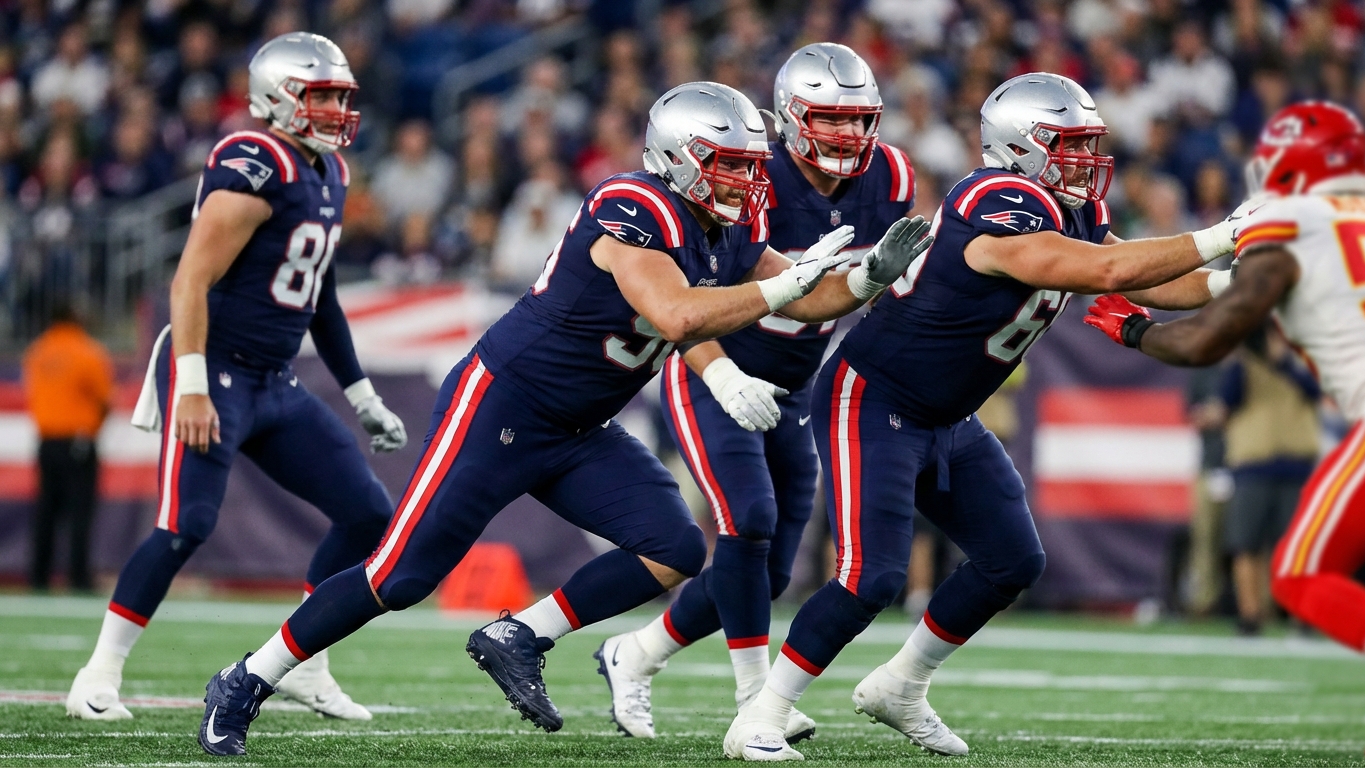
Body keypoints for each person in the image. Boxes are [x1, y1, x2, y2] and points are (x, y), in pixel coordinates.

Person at [195, 80, 933, 757]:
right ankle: (248, 677)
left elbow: (803, 297)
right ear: (678, 158)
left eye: (748, 164)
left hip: (582, 427)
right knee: (401, 574)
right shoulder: (633, 206)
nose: (745, 180)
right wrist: (783, 290)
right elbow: (678, 313)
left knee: (674, 545)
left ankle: (520, 635)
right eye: (728, 164)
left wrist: (866, 277)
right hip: (502, 406)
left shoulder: (729, 223)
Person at [723, 72, 1245, 761]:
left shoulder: (1071, 206)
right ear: (1020, 147)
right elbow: (1106, 272)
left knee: (1012, 559)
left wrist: (1236, 276)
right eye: (1069, 144)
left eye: (1089, 143)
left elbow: (1140, 270)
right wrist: (1220, 233)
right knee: (870, 576)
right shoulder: (994, 198)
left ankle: (901, 686)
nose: (1085, 160)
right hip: (877, 395)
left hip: (947, 413)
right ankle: (762, 714)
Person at [65, 32, 407, 723]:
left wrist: (362, 395)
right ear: (278, 98)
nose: (338, 108)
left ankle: (307, 661)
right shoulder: (255, 160)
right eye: (322, 95)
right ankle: (97, 674)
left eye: (342, 95)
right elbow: (190, 278)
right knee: (185, 524)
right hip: (213, 368)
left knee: (369, 513)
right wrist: (188, 382)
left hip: (274, 381)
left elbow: (321, 296)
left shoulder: (329, 172)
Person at [595, 43, 913, 743]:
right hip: (715, 366)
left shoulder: (889, 174)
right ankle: (754, 701)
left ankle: (635, 653)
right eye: (833, 120)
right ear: (791, 118)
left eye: (862, 120)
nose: (851, 137)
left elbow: (845, 295)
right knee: (747, 521)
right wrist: (720, 371)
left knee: (764, 573)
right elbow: (690, 295)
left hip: (794, 383)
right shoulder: (744, 172)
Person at [1083, 102, 1365, 661]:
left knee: (1297, 576)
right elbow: (1222, 291)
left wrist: (1136, 332)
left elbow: (1204, 341)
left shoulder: (1287, 224)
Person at [1217, 323, 1320, 635]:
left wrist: (1284, 360)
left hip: (1296, 463)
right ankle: (1251, 615)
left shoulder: (1303, 361)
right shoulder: (1240, 363)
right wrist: (1237, 354)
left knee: (1298, 546)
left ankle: (1302, 616)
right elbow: (1228, 399)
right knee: (1246, 543)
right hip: (1253, 462)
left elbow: (1316, 391)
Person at [22, 303, 113, 593]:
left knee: (46, 512)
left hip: (47, 441)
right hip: (78, 441)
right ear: (74, 316)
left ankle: (39, 577)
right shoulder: (88, 352)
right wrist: (93, 427)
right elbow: (104, 399)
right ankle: (78, 578)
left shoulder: (37, 352)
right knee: (79, 513)